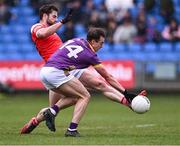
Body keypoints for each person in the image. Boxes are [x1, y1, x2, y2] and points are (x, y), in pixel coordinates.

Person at [20, 4, 146, 137]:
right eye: (54, 16)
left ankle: (131, 103)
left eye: (58, 17)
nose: (56, 19)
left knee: (99, 84)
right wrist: (62, 22)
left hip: (68, 67)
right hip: (57, 69)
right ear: (45, 15)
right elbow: (43, 33)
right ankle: (38, 121)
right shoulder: (37, 27)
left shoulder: (58, 33)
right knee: (65, 103)